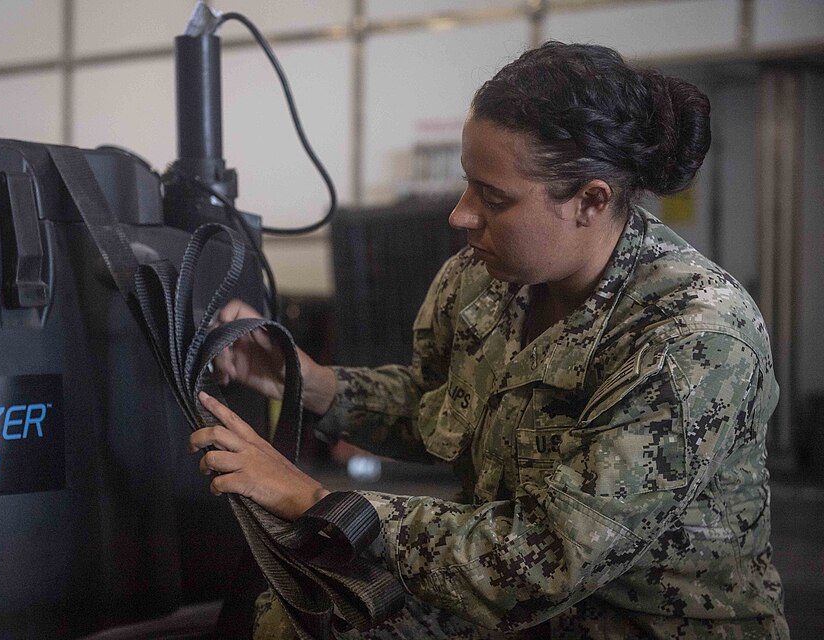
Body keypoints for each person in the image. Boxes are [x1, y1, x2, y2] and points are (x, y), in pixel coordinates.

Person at [189, 42, 789, 639]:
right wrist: (307, 381)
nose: (461, 214)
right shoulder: (485, 279)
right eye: (469, 184)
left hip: (633, 623)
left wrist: (319, 502)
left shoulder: (693, 337)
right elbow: (442, 406)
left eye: (494, 198)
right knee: (296, 618)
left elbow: (549, 561)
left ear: (591, 200)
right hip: (507, 610)